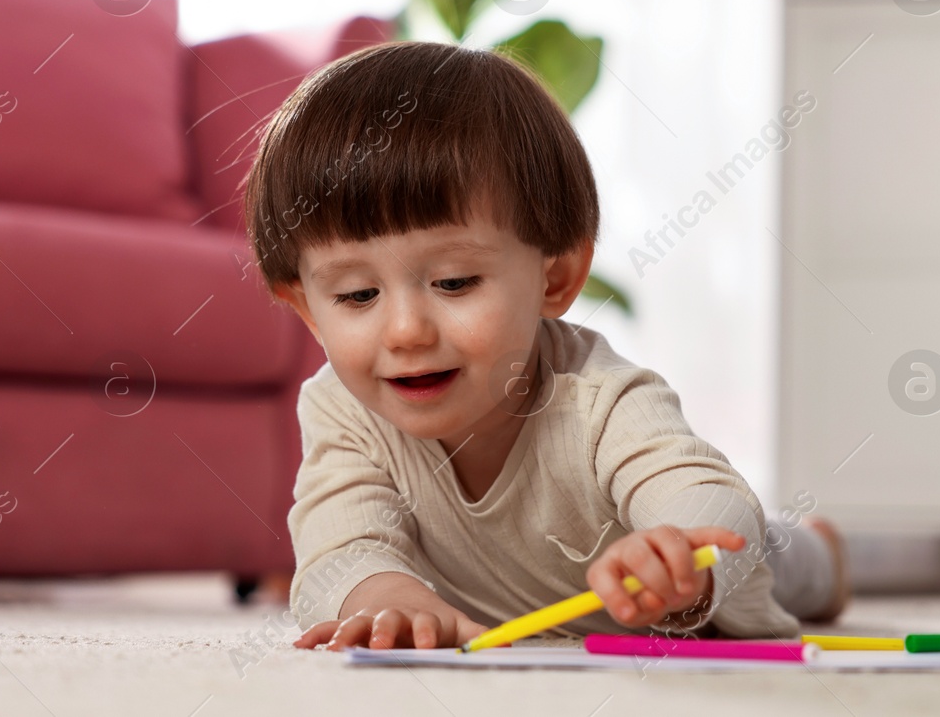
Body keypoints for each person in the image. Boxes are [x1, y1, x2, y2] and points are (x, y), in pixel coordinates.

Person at [240, 41, 848, 650]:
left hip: (707, 581)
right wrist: (383, 601)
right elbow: (339, 546)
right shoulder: (343, 411)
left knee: (772, 557)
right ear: (307, 310)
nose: (406, 332)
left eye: (454, 282)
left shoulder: (599, 399)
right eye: (355, 295)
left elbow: (704, 494)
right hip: (497, 595)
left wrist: (679, 552)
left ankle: (819, 550)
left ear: (554, 279)